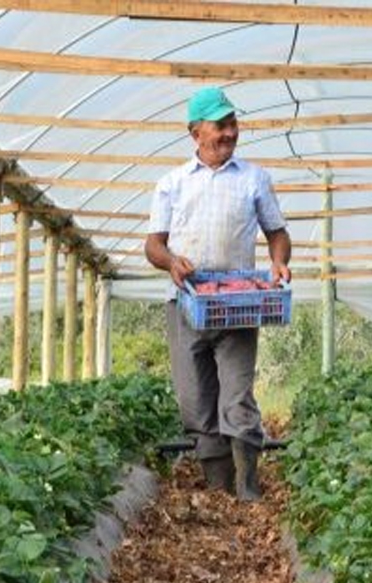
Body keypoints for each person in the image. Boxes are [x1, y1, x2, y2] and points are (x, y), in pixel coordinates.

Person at [145, 86, 292, 502]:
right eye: (220, 125)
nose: (230, 133)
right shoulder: (172, 184)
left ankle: (247, 489)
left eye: (233, 124)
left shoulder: (253, 179)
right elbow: (153, 244)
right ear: (196, 133)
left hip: (237, 302)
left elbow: (277, 233)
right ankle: (218, 488)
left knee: (238, 394)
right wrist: (172, 262)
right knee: (194, 399)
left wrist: (278, 262)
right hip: (188, 302)